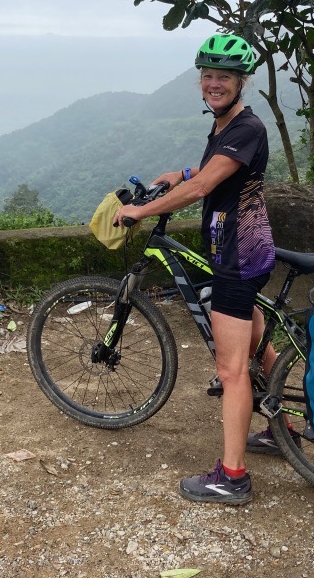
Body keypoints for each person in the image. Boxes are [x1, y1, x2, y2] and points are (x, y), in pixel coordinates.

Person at [113, 32, 279, 506]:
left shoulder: (246, 127)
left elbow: (208, 184)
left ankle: (232, 477)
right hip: (243, 249)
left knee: (231, 370)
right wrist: (179, 174)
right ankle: (281, 427)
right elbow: (213, 170)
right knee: (257, 346)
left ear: (240, 81)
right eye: (207, 75)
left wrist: (142, 211)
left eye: (223, 76)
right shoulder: (227, 125)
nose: (213, 83)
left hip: (238, 257)